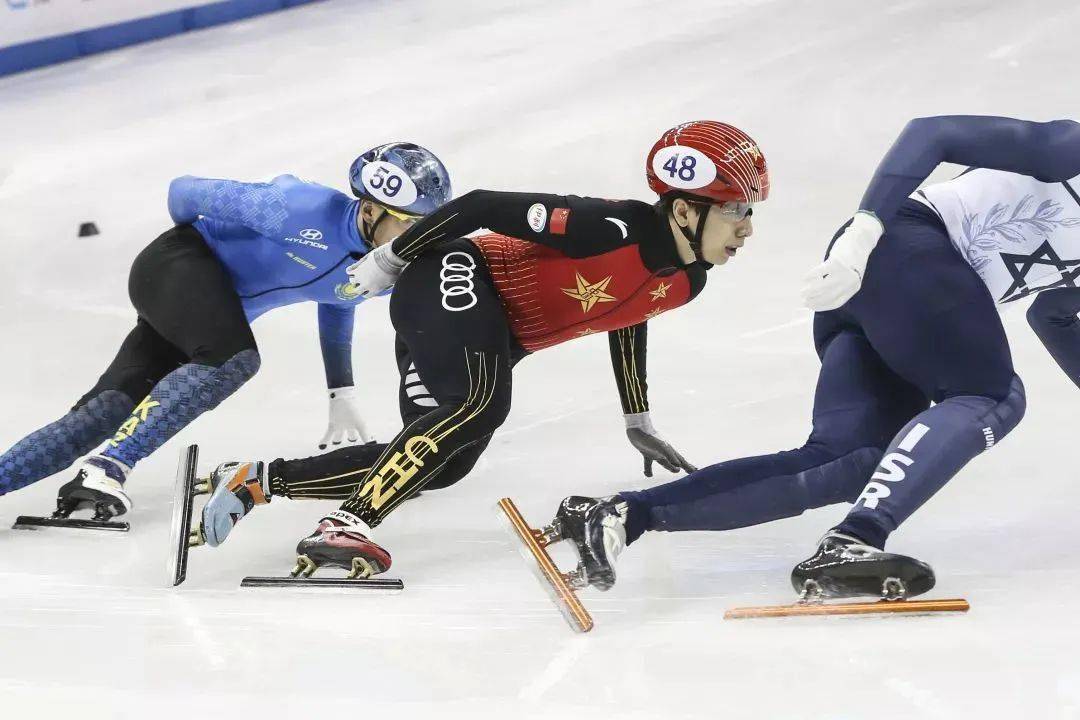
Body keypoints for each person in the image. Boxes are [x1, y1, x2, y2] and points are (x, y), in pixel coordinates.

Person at [539, 115, 1080, 602]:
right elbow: (931, 133)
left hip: (891, 294)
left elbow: (1052, 315)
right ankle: (854, 539)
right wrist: (865, 231)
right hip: (898, 248)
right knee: (989, 395)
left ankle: (620, 516)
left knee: (850, 461)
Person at [197, 121, 770, 581]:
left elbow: (630, 314)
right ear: (686, 209)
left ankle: (256, 480)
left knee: (444, 465)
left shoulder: (689, 280)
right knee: (483, 400)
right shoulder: (611, 225)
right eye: (735, 210)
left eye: (748, 211)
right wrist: (389, 259)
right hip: (455, 271)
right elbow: (481, 204)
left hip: (490, 334)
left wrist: (637, 414)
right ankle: (344, 523)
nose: (746, 229)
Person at [0, 143, 451, 523]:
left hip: (203, 312)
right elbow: (183, 192)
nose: (420, 237)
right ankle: (107, 465)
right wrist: (196, 252)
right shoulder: (295, 208)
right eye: (410, 224)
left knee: (102, 414)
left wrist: (340, 389)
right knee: (234, 357)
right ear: (371, 209)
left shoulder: (381, 266)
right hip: (177, 265)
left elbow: (338, 299)